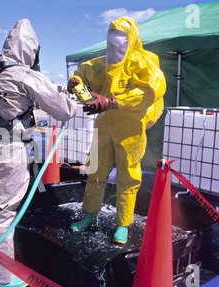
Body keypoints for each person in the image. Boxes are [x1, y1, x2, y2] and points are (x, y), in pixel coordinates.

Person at [0, 19, 78, 287]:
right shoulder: (27, 75)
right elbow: (63, 111)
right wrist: (75, 99)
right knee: (1, 212)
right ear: (31, 51)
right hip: (6, 150)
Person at [68, 17, 166, 244]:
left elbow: (151, 90)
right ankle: (90, 215)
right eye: (111, 39)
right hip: (104, 127)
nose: (115, 44)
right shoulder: (103, 63)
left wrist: (111, 102)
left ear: (131, 39)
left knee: (128, 177)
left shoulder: (143, 62)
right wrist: (77, 83)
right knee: (96, 173)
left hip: (130, 131)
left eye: (120, 38)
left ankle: (123, 224)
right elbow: (83, 72)